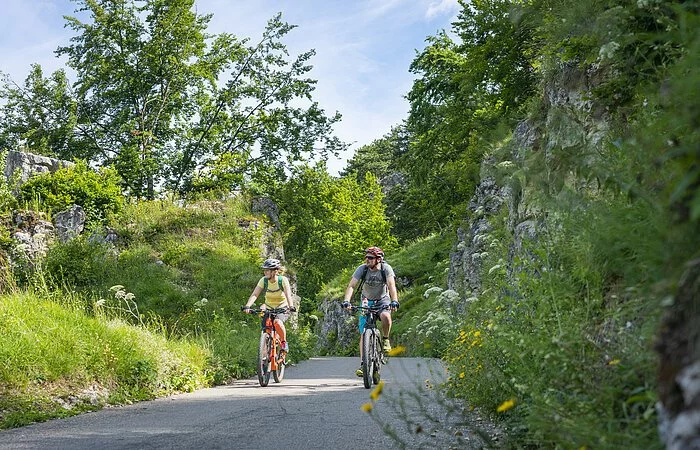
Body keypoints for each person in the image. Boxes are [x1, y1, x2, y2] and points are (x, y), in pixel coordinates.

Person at [342, 246, 399, 377]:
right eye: (366, 257)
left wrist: (394, 300)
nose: (367, 260)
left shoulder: (386, 269)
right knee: (364, 333)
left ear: (378, 259)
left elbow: (391, 285)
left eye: (370, 258)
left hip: (382, 299)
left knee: (386, 316)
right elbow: (351, 286)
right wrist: (346, 300)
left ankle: (385, 339)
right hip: (367, 301)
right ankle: (364, 364)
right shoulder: (362, 269)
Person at [243, 258, 295, 352]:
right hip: (269, 307)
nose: (265, 272)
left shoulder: (282, 280)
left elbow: (288, 294)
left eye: (267, 270)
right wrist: (248, 306)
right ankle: (265, 353)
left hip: (281, 307)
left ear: (275, 271)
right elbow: (255, 294)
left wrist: (291, 306)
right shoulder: (263, 280)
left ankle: (283, 342)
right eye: (264, 270)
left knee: (277, 323)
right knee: (266, 328)